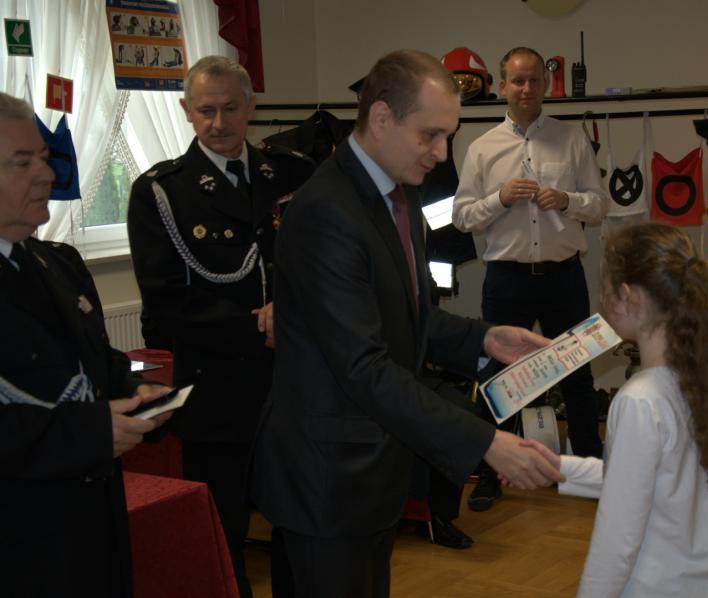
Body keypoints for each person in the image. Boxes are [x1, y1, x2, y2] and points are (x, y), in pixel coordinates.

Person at [249, 49, 564, 598]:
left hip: (370, 473)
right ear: (380, 118)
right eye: (430, 135)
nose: (441, 154)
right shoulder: (327, 211)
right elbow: (364, 366)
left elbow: (408, 317)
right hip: (327, 479)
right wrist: (485, 442)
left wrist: (486, 338)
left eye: (448, 136)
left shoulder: (398, 193)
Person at [127, 55, 313, 598]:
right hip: (216, 389)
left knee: (300, 521)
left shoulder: (293, 173)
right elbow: (165, 303)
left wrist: (291, 311)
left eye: (230, 108)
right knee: (225, 532)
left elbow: (323, 260)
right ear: (186, 111)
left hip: (294, 382)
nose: (218, 123)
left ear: (251, 107)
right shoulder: (162, 191)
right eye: (205, 110)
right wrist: (257, 328)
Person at [523, 222, 708, 597]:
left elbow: (617, 542)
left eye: (604, 287)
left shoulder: (638, 400)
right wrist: (557, 468)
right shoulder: (699, 380)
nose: (601, 300)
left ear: (627, 297)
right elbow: (650, 480)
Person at [0, 91, 170, 597]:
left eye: (44, 158)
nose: (47, 175)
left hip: (89, 529)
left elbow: (101, 363)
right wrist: (90, 432)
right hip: (20, 544)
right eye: (23, 162)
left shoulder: (53, 262)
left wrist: (143, 387)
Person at [452, 46, 607, 511]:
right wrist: (499, 198)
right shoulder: (481, 147)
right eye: (517, 80)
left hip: (564, 277)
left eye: (534, 80)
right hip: (507, 280)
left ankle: (591, 470)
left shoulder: (572, 138)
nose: (526, 88)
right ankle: (490, 474)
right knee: (499, 380)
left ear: (545, 85)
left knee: (578, 376)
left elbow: (599, 206)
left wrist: (567, 200)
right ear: (502, 86)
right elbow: (461, 217)